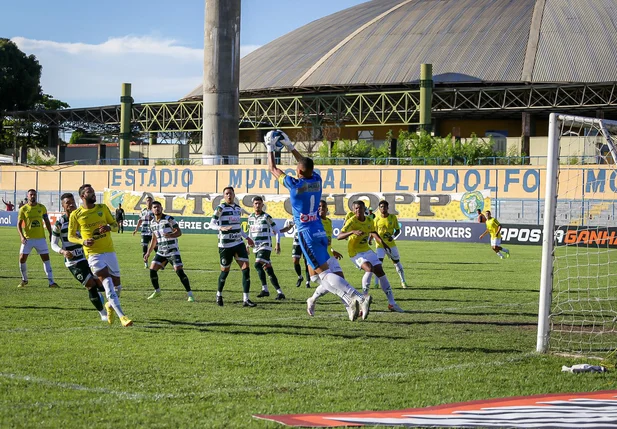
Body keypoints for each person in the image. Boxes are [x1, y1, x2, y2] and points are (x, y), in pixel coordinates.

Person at [266, 130, 372, 321]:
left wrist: (269, 148)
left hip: (306, 233)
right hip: (320, 230)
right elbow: (305, 164)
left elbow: (273, 169)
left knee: (322, 275)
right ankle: (349, 301)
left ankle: (357, 297)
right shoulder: (317, 180)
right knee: (322, 273)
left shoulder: (295, 185)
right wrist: (290, 147)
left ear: (298, 171)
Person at [68, 184, 133, 327]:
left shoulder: (102, 208)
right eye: (89, 192)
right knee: (107, 283)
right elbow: (71, 236)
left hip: (109, 251)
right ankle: (123, 317)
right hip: (93, 254)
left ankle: (110, 305)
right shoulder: (76, 214)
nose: (93, 194)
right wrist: (82, 241)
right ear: (82, 196)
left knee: (117, 287)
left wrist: (109, 227)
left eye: (93, 191)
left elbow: (115, 226)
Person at [51, 193, 108, 321]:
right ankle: (103, 313)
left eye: (72, 201)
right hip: (73, 262)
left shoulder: (81, 217)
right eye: (68, 202)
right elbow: (53, 244)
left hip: (88, 256)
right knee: (90, 285)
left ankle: (103, 300)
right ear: (63, 205)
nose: (71, 204)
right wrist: (63, 251)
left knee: (101, 283)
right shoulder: (59, 223)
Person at [338, 200, 404, 312]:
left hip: (366, 250)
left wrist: (383, 244)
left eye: (360, 208)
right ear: (353, 210)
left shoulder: (369, 220)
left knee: (380, 271)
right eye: (356, 208)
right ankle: (364, 299)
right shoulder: (351, 221)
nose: (358, 210)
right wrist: (352, 232)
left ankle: (392, 303)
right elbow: (339, 236)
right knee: (369, 268)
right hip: (355, 252)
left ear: (365, 209)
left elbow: (374, 232)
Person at [210, 186, 256, 307]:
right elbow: (212, 224)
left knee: (246, 269)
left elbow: (238, 226)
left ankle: (246, 299)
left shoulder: (237, 208)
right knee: (225, 271)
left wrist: (247, 237)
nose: (229, 195)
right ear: (224, 196)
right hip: (225, 245)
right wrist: (221, 228)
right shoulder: (220, 208)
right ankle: (219, 294)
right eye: (226, 194)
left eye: (230, 193)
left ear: (234, 194)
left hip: (238, 243)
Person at [144, 201, 195, 302]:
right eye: (154, 207)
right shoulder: (152, 222)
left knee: (179, 271)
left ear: (161, 208)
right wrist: (148, 252)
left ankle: (190, 294)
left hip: (172, 250)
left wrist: (171, 235)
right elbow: (154, 239)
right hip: (161, 251)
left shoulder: (169, 219)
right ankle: (157, 291)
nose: (156, 209)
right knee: (152, 269)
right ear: (152, 209)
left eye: (158, 207)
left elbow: (179, 232)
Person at [306, 200, 348, 316]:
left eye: (323, 207)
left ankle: (348, 307)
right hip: (319, 257)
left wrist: (333, 250)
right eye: (319, 207)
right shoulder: (313, 222)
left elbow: (327, 242)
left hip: (329, 255)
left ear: (326, 209)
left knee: (340, 281)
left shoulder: (329, 222)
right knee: (331, 283)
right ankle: (313, 299)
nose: (321, 208)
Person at [16, 189, 59, 288]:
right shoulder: (23, 209)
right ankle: (24, 279)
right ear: (28, 196)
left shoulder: (41, 207)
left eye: (34, 194)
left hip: (40, 239)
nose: (32, 196)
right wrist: (22, 237)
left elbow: (47, 221)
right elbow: (18, 225)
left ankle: (51, 282)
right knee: (22, 258)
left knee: (46, 259)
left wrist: (50, 233)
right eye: (31, 194)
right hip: (27, 239)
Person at [247, 196, 286, 300]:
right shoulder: (250, 217)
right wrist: (247, 245)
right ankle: (280, 292)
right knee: (268, 270)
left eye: (259, 203)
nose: (257, 205)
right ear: (253, 205)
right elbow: (250, 232)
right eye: (256, 203)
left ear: (262, 205)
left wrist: (277, 243)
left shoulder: (266, 217)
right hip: (256, 247)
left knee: (257, 265)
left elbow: (277, 231)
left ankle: (265, 290)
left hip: (265, 245)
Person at [373, 200, 408, 288]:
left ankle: (403, 281)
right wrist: (370, 239)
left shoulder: (392, 218)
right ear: (379, 208)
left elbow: (398, 230)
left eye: (384, 207)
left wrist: (392, 236)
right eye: (381, 207)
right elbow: (373, 231)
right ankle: (376, 283)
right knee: (378, 264)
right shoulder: (376, 219)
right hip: (380, 245)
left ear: (387, 208)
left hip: (391, 245)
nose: (383, 208)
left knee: (396, 262)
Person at [279, 218, 310, 288]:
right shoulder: (295, 216)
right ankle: (300, 277)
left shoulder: (309, 215)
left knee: (307, 262)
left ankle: (308, 281)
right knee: (295, 260)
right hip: (297, 241)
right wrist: (279, 231)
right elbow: (288, 227)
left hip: (306, 242)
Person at [133, 196, 156, 268]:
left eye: (150, 201)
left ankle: (158, 262)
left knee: (156, 248)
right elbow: (140, 220)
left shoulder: (155, 210)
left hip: (153, 232)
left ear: (152, 202)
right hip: (144, 232)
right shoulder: (143, 210)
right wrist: (136, 229)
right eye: (147, 200)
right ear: (146, 202)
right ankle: (146, 263)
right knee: (144, 248)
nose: (149, 202)